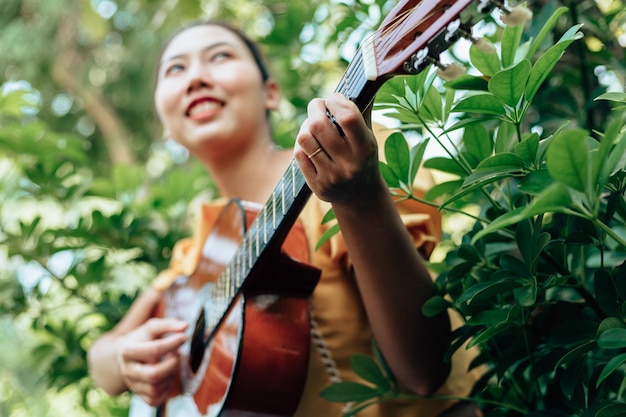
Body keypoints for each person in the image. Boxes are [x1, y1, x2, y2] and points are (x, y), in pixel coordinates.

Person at [87, 20, 481, 417]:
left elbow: (423, 370)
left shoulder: (349, 153)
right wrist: (123, 357)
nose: (196, 78)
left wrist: (360, 199)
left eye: (220, 56)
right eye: (176, 69)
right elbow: (101, 360)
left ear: (270, 93)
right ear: (165, 128)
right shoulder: (197, 252)